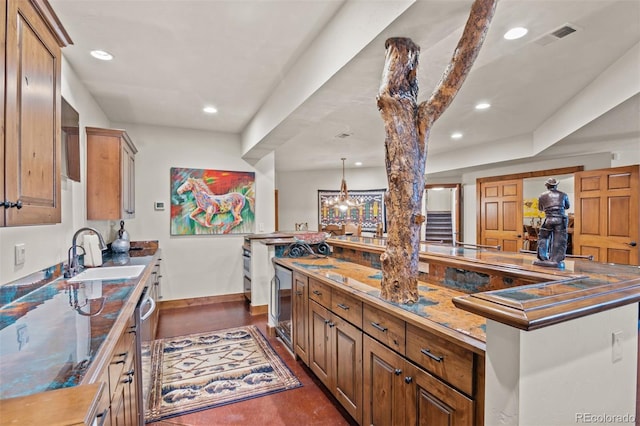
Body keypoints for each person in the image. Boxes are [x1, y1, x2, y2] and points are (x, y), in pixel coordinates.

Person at [534, 178, 571, 268]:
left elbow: (540, 208)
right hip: (560, 220)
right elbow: (567, 206)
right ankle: (555, 259)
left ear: (547, 186)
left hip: (548, 219)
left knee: (543, 238)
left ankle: (542, 257)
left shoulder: (542, 196)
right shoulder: (563, 194)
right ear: (556, 185)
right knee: (558, 240)